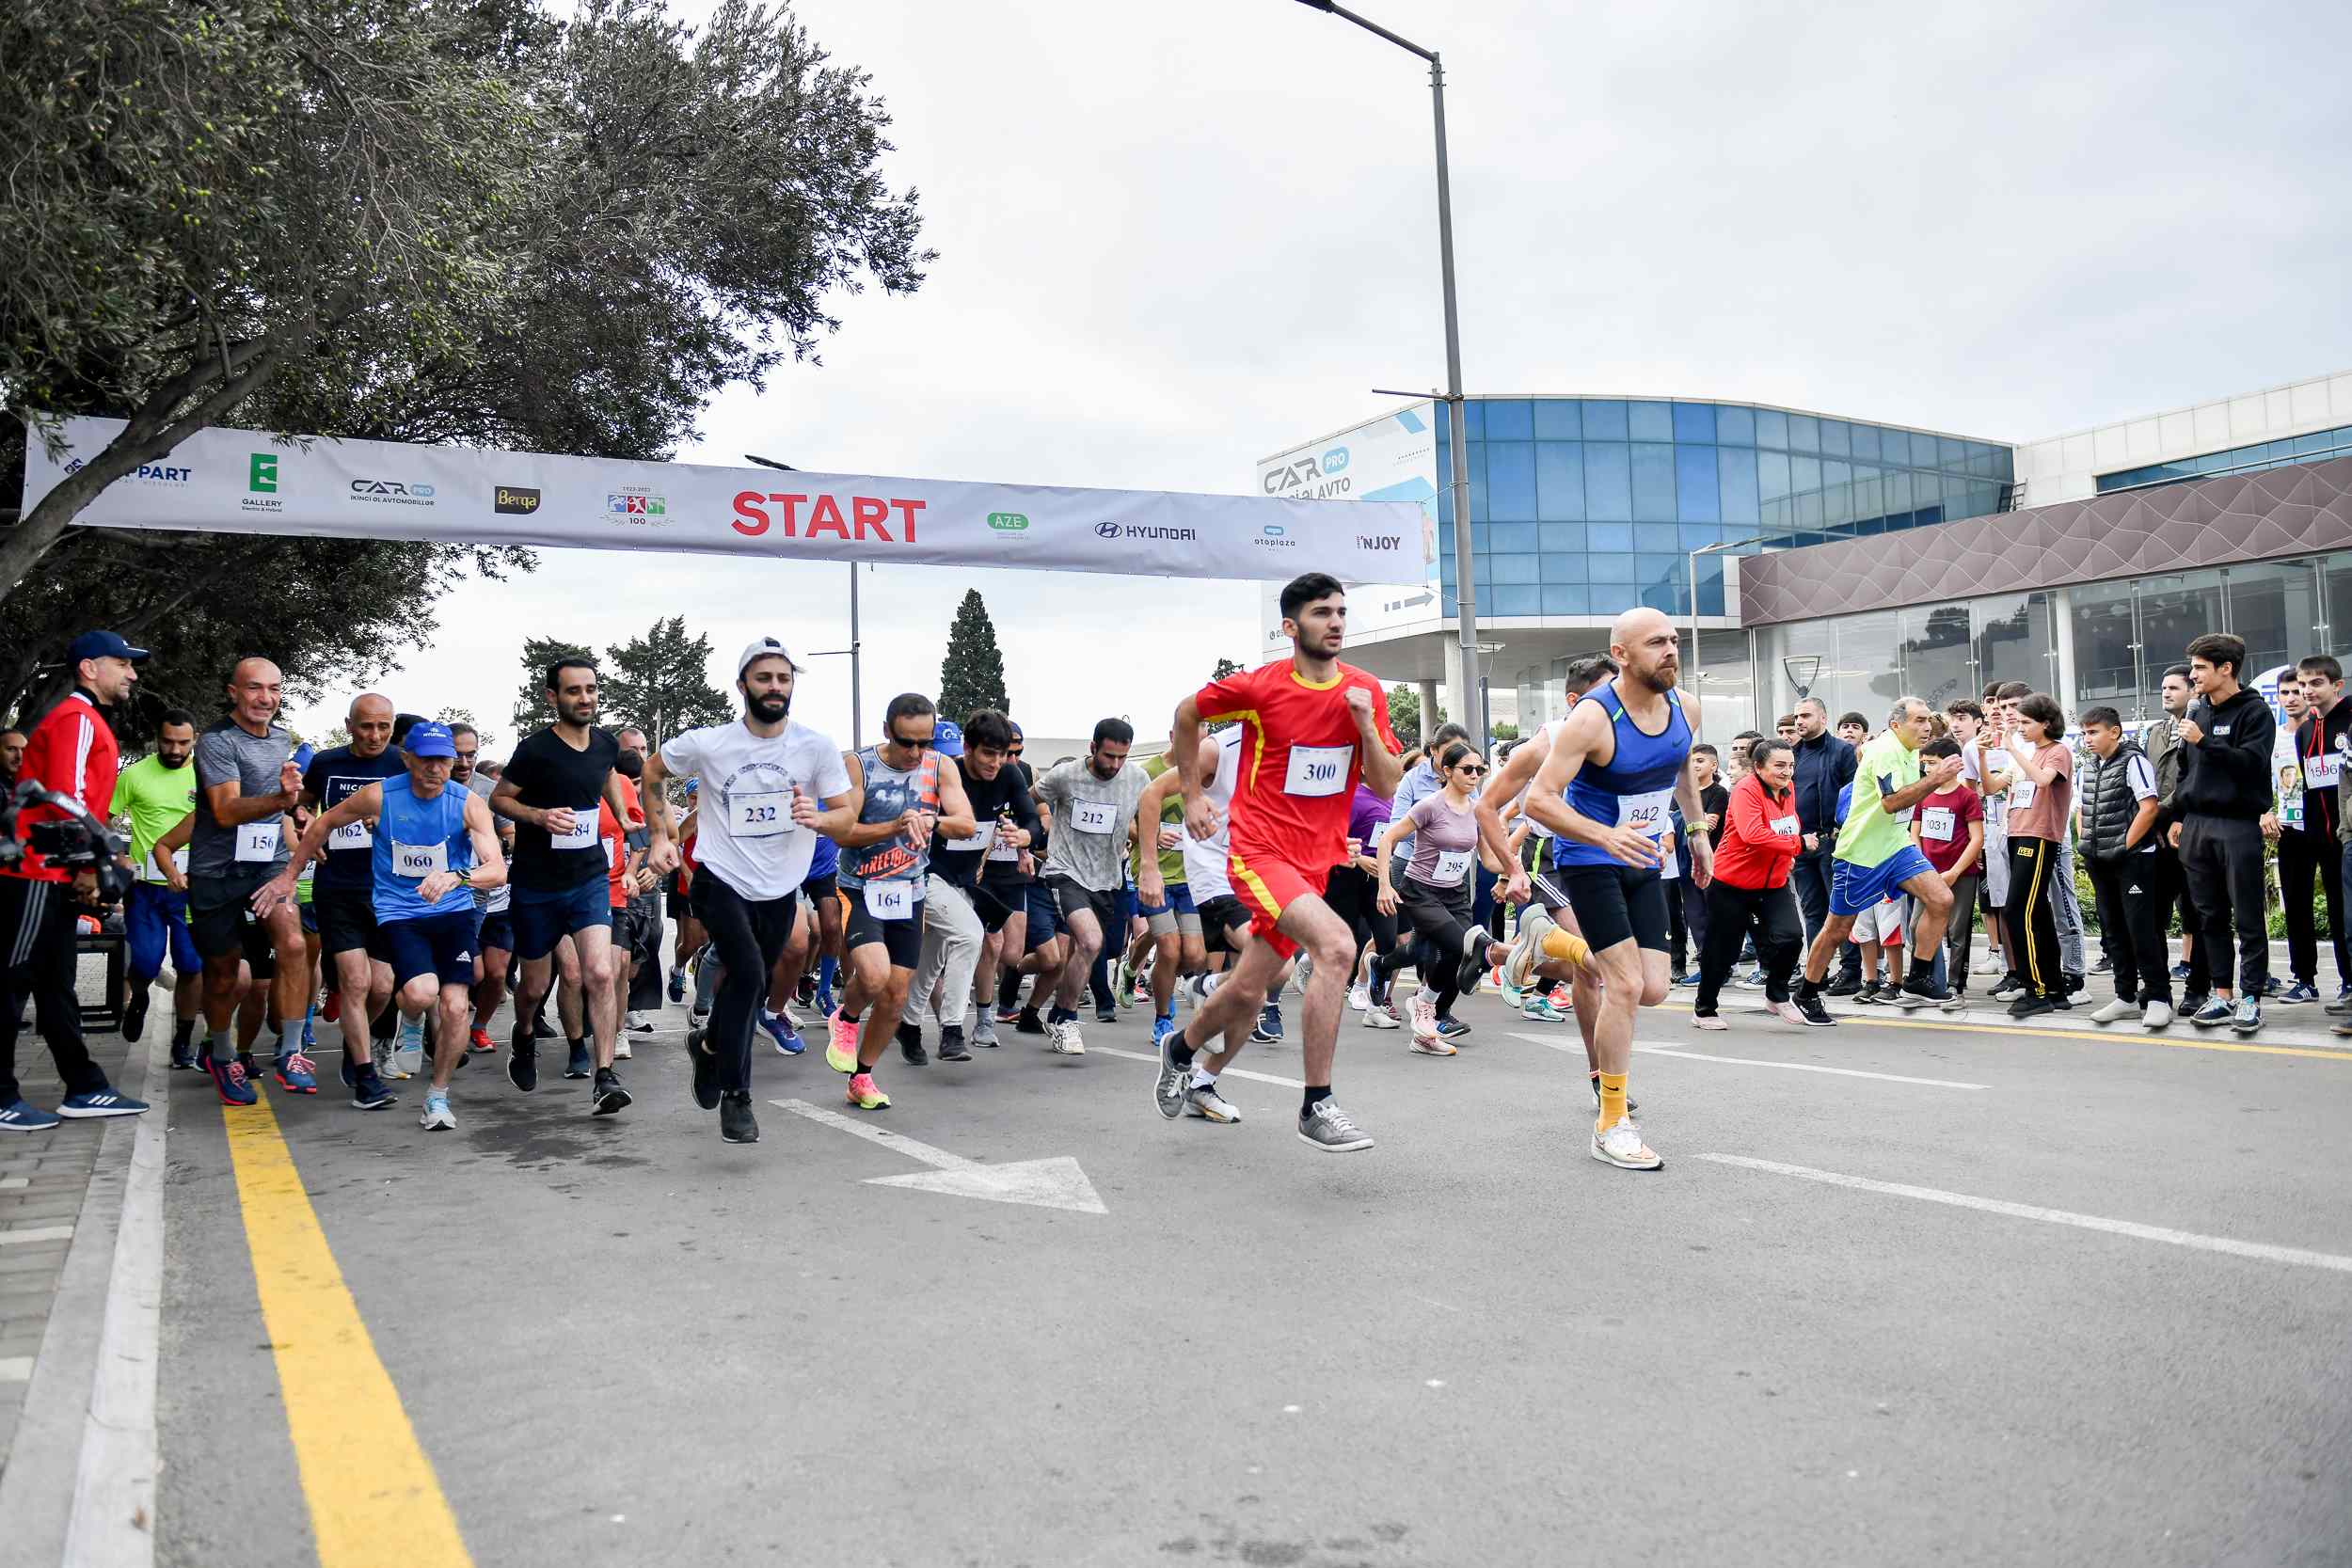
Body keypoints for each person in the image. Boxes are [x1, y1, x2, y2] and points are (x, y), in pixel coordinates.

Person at [1152, 572, 1406, 1153]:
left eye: (1341, 612)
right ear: (1291, 627)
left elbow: (1386, 783)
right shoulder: (1260, 688)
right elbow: (1188, 712)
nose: (1336, 622)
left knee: (1249, 987)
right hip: (1260, 851)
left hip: (1317, 862)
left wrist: (1365, 723)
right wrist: (1191, 796)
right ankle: (1317, 1104)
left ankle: (1182, 1049)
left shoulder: (1366, 688)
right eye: (1321, 613)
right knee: (1339, 947)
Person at [1521, 607, 1708, 1170]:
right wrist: (1606, 835)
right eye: (1657, 643)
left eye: (1674, 641)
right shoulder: (1593, 720)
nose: (1671, 651)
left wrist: (1696, 832)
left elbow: (1680, 773)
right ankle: (1612, 1122)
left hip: (1644, 856)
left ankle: (1552, 945)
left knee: (1653, 989)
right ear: (1622, 655)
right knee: (1623, 986)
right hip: (1589, 858)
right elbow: (1538, 800)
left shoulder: (1686, 707)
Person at [644, 639, 851, 1142]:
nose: (775, 687)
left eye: (783, 679)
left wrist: (819, 817)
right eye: (764, 679)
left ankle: (709, 1046)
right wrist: (659, 835)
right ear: (743, 686)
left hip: (781, 888)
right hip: (721, 879)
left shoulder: (815, 746)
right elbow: (652, 771)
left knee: (751, 983)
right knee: (752, 972)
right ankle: (737, 1097)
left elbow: (845, 815)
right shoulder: (710, 743)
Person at [258, 723, 509, 1129]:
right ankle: (410, 1019)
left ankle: (438, 1098)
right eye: (425, 760)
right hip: (400, 911)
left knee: (457, 1005)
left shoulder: (466, 803)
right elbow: (322, 824)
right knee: (421, 992)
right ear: (406, 759)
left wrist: (456, 877)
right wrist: (290, 873)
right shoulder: (380, 795)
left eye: (443, 760)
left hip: (453, 909)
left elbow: (496, 870)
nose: (435, 769)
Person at [0, 631, 152, 1130]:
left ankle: (84, 1087)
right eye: (123, 663)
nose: (132, 673)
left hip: (53, 871)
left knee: (55, 983)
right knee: (14, 980)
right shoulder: (76, 717)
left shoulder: (84, 718)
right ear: (90, 668)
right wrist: (90, 865)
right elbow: (66, 796)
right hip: (34, 872)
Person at [489, 657, 640, 1107]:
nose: (586, 698)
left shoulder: (605, 744)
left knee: (598, 971)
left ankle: (605, 1075)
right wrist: (537, 815)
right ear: (553, 697)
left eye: (591, 689)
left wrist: (624, 812)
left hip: (589, 879)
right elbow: (500, 798)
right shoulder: (535, 750)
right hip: (537, 886)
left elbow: (608, 775)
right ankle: (525, 1032)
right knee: (535, 987)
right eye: (574, 691)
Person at [826, 694, 976, 1109]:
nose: (914, 752)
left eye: (923, 743)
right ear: (887, 730)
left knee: (895, 994)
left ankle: (862, 1076)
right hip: (860, 885)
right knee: (872, 977)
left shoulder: (941, 766)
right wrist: (894, 825)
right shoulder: (859, 765)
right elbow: (843, 832)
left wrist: (931, 820)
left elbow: (965, 823)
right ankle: (847, 1017)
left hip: (909, 890)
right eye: (906, 742)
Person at [1792, 697, 1966, 1022]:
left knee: (1941, 898)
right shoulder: (1885, 750)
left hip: (1896, 846)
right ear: (1897, 725)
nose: (1926, 726)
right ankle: (1806, 993)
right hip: (1862, 853)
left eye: (1927, 719)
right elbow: (1890, 803)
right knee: (1838, 929)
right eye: (1918, 720)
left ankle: (1918, 980)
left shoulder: (1910, 749)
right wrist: (1936, 779)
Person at [187, 658, 310, 1106]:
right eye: (255, 688)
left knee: (294, 944)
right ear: (232, 692)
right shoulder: (217, 743)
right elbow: (225, 810)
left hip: (266, 866)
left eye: (274, 689)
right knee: (224, 976)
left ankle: (292, 1050)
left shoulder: (281, 738)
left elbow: (282, 803)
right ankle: (221, 1054)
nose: (266, 699)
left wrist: (294, 811)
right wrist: (282, 798)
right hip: (216, 872)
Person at [294, 693, 406, 1091]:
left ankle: (353, 1043)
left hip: (387, 890)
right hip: (337, 886)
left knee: (382, 986)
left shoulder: (401, 764)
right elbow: (302, 803)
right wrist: (303, 817)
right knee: (356, 983)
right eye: (365, 726)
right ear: (348, 725)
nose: (374, 736)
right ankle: (364, 1072)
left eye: (383, 727)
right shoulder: (326, 763)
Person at [2169, 633, 2275, 1035]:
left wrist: (2207, 742)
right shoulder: (2197, 712)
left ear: (2225, 668)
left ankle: (2251, 998)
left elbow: (2251, 762)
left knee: (2247, 914)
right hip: (2197, 823)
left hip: (2237, 823)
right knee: (2208, 915)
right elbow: (2185, 769)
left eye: (2199, 667)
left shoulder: (2254, 712)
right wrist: (2179, 814)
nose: (2193, 675)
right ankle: (2222, 993)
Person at [1371, 740, 1502, 1054]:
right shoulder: (1430, 805)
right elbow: (1388, 838)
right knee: (1463, 946)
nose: (1475, 775)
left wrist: (1514, 871)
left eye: (1480, 770)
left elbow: (1489, 859)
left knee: (1423, 949)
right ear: (1447, 771)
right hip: (1420, 889)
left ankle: (1381, 967)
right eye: (1467, 769)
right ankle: (1426, 1006)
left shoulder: (1478, 811)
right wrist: (1384, 885)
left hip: (1455, 892)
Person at [1029, 720, 1150, 1054]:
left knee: (1088, 950)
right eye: (1109, 756)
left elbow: (1143, 817)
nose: (1114, 765)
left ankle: (1051, 1010)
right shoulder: (1066, 776)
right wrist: (1040, 825)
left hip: (1108, 878)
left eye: (1122, 757)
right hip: (1065, 871)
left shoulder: (1137, 779)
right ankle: (1066, 1018)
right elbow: (1030, 798)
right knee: (1090, 940)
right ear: (1093, 748)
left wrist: (1149, 849)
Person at [938, 710, 1039, 1053]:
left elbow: (1031, 818)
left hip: (978, 878)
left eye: (1005, 754)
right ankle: (969, 1023)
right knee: (975, 943)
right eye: (988, 754)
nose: (997, 762)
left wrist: (1024, 837)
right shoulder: (947, 773)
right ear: (967, 749)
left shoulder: (1011, 774)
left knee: (1008, 951)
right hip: (937, 875)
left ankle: (941, 1022)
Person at [1693, 736, 1806, 1027]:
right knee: (1723, 950)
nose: (1786, 772)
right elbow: (1752, 834)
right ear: (1758, 766)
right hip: (1732, 884)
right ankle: (1704, 1009)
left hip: (1774, 882)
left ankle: (1777, 995)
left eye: (1790, 766)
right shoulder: (1745, 790)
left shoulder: (1788, 789)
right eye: (1779, 766)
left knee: (1791, 937)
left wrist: (1787, 853)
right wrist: (1798, 845)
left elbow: (1787, 822)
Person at [112, 708, 203, 1060]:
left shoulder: (206, 775)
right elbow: (103, 821)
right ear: (157, 738)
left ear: (195, 739)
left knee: (191, 966)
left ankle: (182, 1041)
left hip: (190, 887)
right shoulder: (134, 775)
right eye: (168, 741)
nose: (175, 749)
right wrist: (119, 859)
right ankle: (140, 996)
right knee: (146, 963)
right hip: (146, 887)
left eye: (183, 742)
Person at [894, 719, 986, 1065]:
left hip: (956, 881)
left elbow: (973, 827)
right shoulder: (913, 781)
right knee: (969, 935)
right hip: (920, 875)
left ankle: (909, 1021)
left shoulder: (963, 781)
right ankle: (952, 1029)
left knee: (936, 951)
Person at [2074, 707, 2169, 1029]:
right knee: (2112, 930)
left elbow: (2149, 807)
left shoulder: (2133, 761)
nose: (2088, 739)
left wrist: (2124, 846)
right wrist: (2087, 843)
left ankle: (2158, 998)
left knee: (2141, 929)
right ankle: (2125, 997)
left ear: (2114, 732)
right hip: (2099, 860)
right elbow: (2083, 809)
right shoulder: (2087, 767)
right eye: (2085, 733)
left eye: (2094, 732)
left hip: (2134, 860)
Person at [1997, 693, 2074, 1019]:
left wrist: (2013, 749)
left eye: (2028, 723)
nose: (2022, 728)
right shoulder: (2033, 753)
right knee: (2037, 912)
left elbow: (2044, 781)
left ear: (2046, 723)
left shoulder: (2057, 752)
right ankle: (2054, 988)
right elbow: (1994, 787)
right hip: (2018, 833)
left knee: (2018, 910)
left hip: (2039, 836)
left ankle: (2036, 989)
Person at [2283, 655, 2351, 1005]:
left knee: (2345, 912)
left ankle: (2348, 982)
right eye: (2302, 684)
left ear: (2336, 685)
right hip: (2313, 835)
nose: (2307, 691)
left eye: (2315, 683)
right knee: (2300, 906)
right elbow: (2308, 785)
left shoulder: (2349, 720)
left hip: (2345, 836)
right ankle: (2305, 980)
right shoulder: (2306, 730)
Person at [1130, 745, 1206, 1048]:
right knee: (1170, 949)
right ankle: (1163, 1016)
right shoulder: (1146, 772)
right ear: (1176, 735)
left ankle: (1142, 972)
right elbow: (1126, 820)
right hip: (1156, 877)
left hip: (1191, 877)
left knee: (1195, 956)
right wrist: (1152, 836)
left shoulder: (1210, 773)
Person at [1788, 698, 1860, 995]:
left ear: (1823, 718)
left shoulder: (1842, 751)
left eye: (1805, 715)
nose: (1799, 722)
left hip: (1833, 841)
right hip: (1802, 843)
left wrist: (1842, 832)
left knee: (1840, 909)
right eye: (1796, 717)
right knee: (1812, 911)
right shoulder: (1793, 754)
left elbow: (1853, 794)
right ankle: (1818, 972)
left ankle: (1851, 970)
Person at [1909, 735, 1984, 999]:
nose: (1928, 769)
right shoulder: (1923, 794)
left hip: (1961, 875)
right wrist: (1922, 865)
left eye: (1933, 762)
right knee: (1916, 926)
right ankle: (1925, 978)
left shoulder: (1967, 797)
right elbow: (1914, 834)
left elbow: (1977, 838)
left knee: (1956, 931)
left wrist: (1954, 872)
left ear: (1953, 763)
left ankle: (1955, 984)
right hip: (1927, 874)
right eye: (1925, 763)